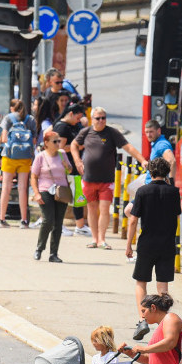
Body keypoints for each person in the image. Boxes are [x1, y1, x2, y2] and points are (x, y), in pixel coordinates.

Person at [71, 107, 144, 249]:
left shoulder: (112, 132)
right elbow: (74, 144)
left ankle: (102, 240)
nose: (101, 121)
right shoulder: (86, 132)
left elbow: (128, 147)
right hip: (88, 178)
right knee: (92, 209)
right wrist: (77, 161)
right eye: (98, 118)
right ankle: (94, 238)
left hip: (107, 180)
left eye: (103, 118)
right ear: (92, 119)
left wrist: (142, 160)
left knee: (104, 209)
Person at [124, 158, 180, 309]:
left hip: (146, 244)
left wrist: (129, 245)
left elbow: (133, 221)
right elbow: (176, 217)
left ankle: (143, 316)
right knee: (163, 286)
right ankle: (163, 321)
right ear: (167, 173)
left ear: (150, 172)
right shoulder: (174, 192)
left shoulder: (142, 191)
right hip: (167, 245)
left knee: (141, 282)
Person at [31, 129, 72, 262]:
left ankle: (53, 253)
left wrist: (67, 166)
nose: (58, 143)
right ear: (46, 143)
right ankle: (39, 248)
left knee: (58, 223)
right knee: (48, 220)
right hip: (45, 190)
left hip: (62, 191)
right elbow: (34, 176)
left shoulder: (62, 154)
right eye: (55, 141)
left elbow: (70, 169)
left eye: (59, 141)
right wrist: (36, 193)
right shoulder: (40, 157)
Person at [52, 104, 91, 237]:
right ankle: (58, 225)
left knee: (78, 196)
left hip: (75, 167)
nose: (78, 121)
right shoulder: (62, 127)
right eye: (77, 117)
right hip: (65, 167)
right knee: (62, 196)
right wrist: (77, 147)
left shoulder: (74, 126)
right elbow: (60, 148)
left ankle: (80, 225)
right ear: (70, 114)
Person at [0, 99, 38, 228]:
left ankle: (2, 219)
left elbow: (4, 138)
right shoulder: (30, 119)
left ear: (12, 108)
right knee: (22, 188)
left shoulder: (8, 118)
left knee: (6, 188)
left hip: (9, 156)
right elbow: (34, 140)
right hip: (25, 158)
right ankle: (23, 220)